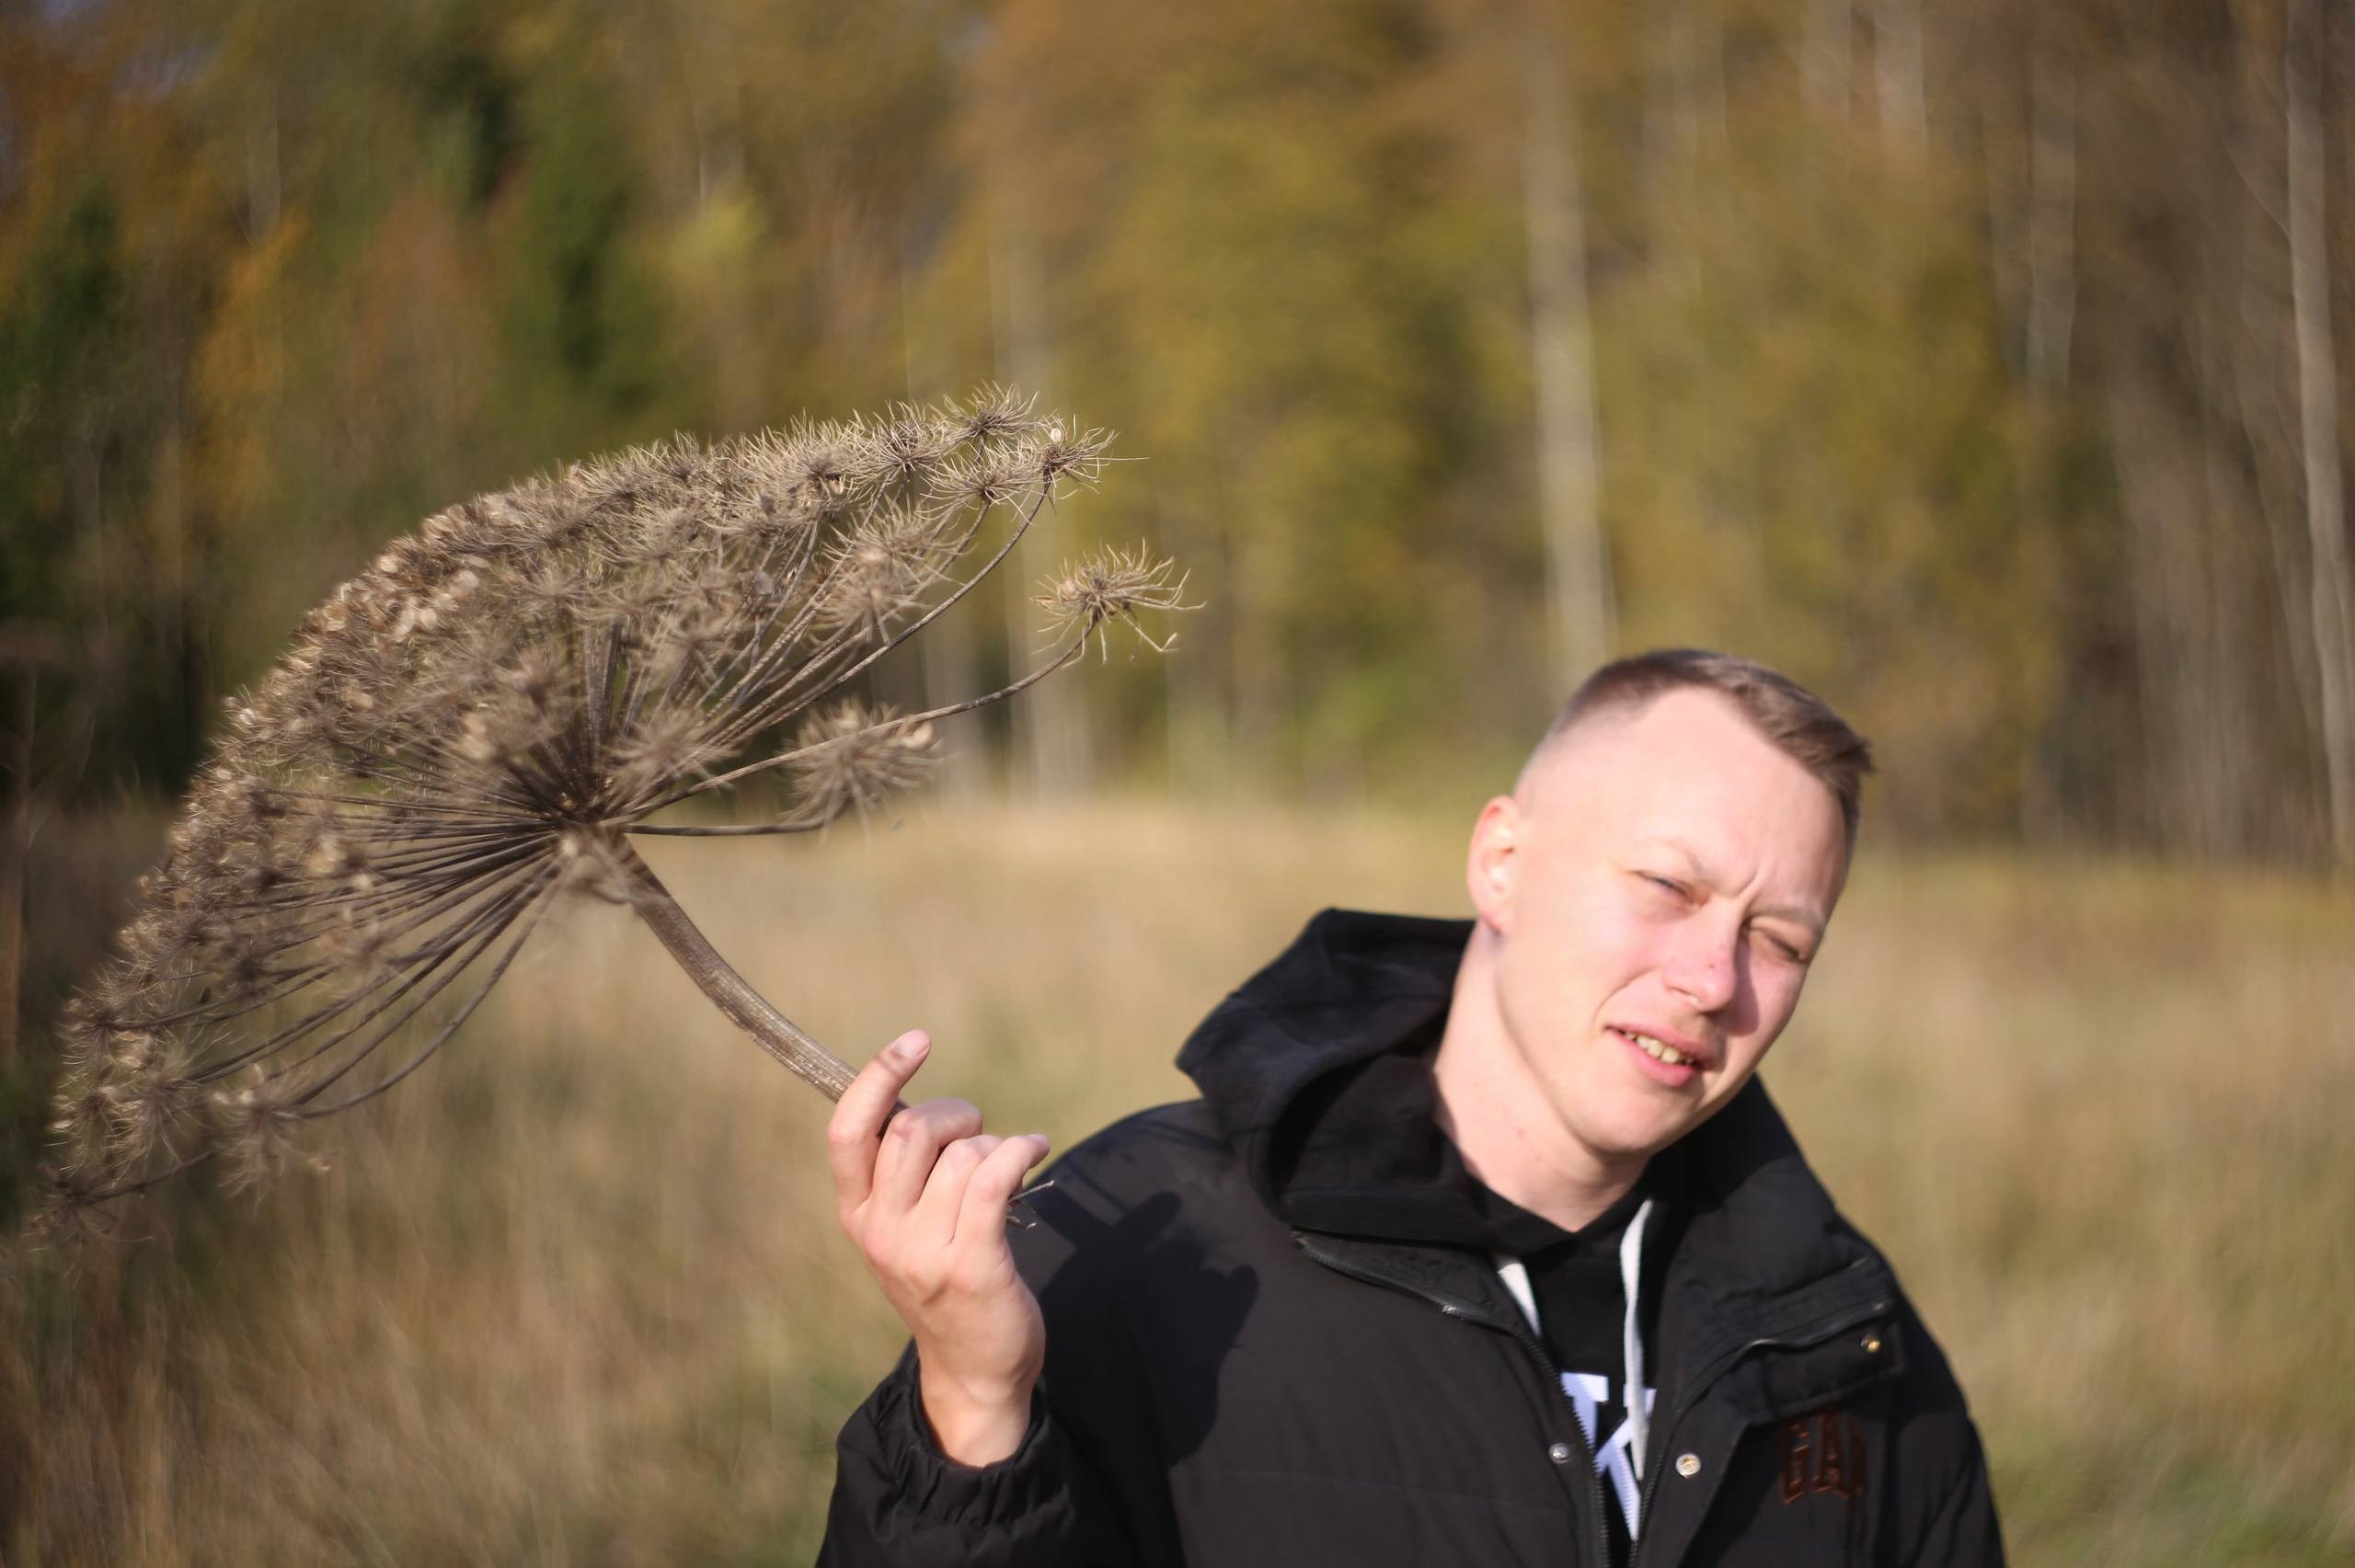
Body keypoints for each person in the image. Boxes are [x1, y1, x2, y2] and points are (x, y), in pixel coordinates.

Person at [817, 649, 2005, 1567]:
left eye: (1779, 938)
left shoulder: (1837, 1336)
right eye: (1665, 885)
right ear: (1502, 861)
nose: (1711, 979)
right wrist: (971, 1411)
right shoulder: (1133, 1244)